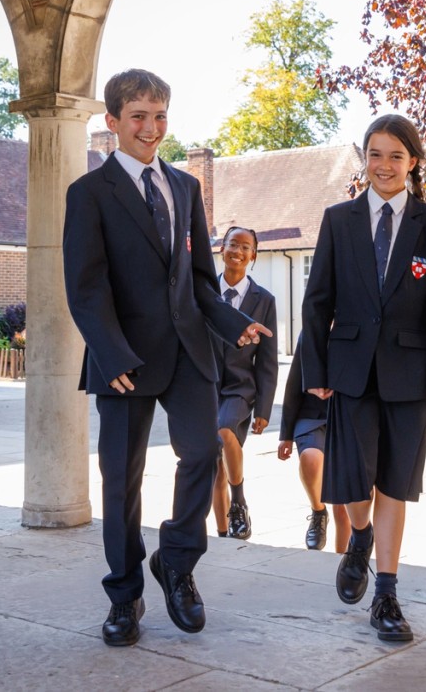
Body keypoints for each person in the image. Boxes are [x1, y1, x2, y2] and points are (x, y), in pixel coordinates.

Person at [62, 69, 271, 646]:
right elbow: (86, 286)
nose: (151, 129)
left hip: (187, 353)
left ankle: (176, 561)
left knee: (204, 453)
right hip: (123, 360)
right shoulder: (88, 194)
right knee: (120, 483)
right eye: (138, 117)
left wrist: (236, 323)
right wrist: (110, 352)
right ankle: (125, 595)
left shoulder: (183, 187)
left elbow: (201, 282)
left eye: (159, 116)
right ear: (112, 122)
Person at [301, 113, 426, 643]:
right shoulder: (338, 220)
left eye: (396, 155)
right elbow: (317, 301)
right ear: (365, 160)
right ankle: (360, 536)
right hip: (348, 370)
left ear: (413, 162)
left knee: (395, 481)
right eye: (375, 154)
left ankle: (387, 593)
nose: (385, 165)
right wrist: (316, 369)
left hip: (410, 374)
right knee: (353, 480)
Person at [211, 226, 279, 540]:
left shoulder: (263, 300)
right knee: (214, 465)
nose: (237, 251)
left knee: (225, 429)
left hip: (240, 388)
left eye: (245, 247)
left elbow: (266, 361)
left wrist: (264, 407)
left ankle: (238, 501)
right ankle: (225, 532)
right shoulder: (205, 292)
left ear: (253, 256)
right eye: (232, 244)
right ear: (221, 248)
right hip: (205, 386)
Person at [278, 335, 351, 553]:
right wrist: (286, 434)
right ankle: (319, 512)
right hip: (311, 414)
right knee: (310, 459)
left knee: (344, 504)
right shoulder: (310, 334)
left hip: (349, 416)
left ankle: (344, 562)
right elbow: (293, 383)